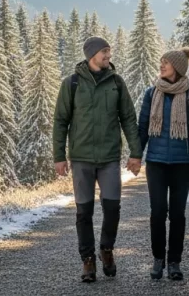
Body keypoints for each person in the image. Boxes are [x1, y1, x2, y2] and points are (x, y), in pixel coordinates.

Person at [53, 36, 142, 283]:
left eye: (109, 52)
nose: (108, 56)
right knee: (84, 212)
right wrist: (59, 156)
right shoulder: (71, 84)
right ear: (92, 54)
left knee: (112, 208)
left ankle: (106, 249)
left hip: (109, 158)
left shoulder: (117, 83)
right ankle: (88, 260)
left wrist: (136, 153)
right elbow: (61, 121)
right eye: (105, 52)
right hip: (81, 158)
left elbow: (128, 119)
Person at [129, 47, 189, 281]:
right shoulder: (152, 94)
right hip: (156, 163)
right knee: (158, 212)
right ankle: (158, 260)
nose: (161, 66)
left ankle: (174, 262)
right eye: (161, 62)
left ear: (178, 68)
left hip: (183, 164)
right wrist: (136, 156)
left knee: (178, 215)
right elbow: (143, 129)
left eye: (166, 63)